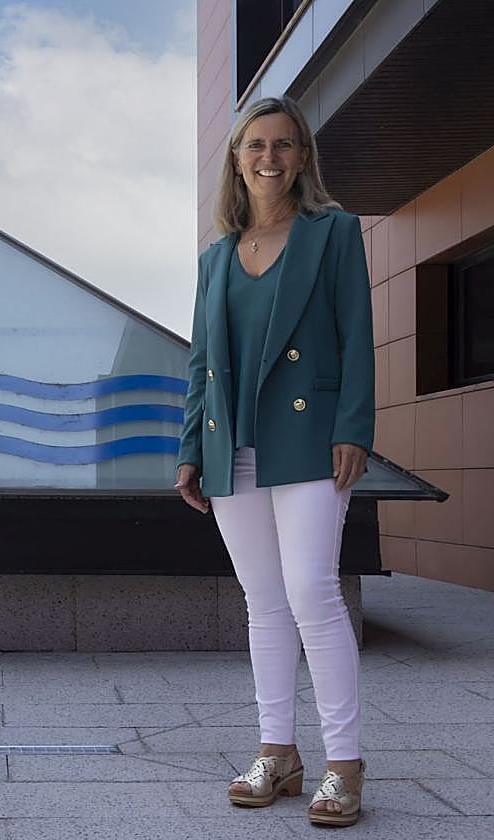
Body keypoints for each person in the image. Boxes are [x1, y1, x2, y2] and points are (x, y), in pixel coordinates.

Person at [174, 95, 374, 828]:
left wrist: (355, 425)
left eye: (284, 145)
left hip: (312, 441)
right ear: (236, 159)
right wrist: (191, 448)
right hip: (236, 446)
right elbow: (202, 364)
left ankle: (344, 764)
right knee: (263, 602)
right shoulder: (216, 259)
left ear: (302, 157)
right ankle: (278, 752)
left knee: (313, 592)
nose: (270, 158)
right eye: (256, 145)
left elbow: (357, 332)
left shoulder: (334, 233)